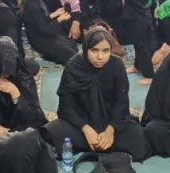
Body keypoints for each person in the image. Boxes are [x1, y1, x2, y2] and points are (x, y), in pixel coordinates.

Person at [49, 27, 149, 161]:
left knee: (139, 139)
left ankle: (92, 144)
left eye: (105, 51)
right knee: (52, 132)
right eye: (94, 50)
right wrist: (86, 129)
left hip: (110, 121)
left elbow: (121, 102)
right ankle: (97, 144)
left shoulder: (116, 66)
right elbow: (66, 105)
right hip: (81, 123)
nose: (100, 57)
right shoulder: (74, 66)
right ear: (86, 49)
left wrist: (110, 130)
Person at [20, 0, 80, 65]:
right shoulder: (33, 5)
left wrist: (55, 14)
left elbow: (41, 19)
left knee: (71, 45)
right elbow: (45, 29)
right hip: (40, 40)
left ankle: (52, 54)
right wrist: (60, 19)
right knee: (72, 57)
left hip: (43, 35)